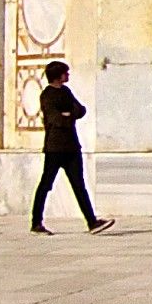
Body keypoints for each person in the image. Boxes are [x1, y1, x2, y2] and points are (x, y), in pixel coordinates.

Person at [30, 60, 114, 234]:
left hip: (72, 147)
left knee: (79, 185)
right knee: (46, 185)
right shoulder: (47, 95)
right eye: (65, 73)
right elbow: (56, 119)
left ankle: (92, 222)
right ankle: (36, 223)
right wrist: (68, 116)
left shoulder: (66, 92)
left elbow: (81, 110)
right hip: (55, 148)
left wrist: (69, 114)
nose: (67, 75)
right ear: (58, 75)